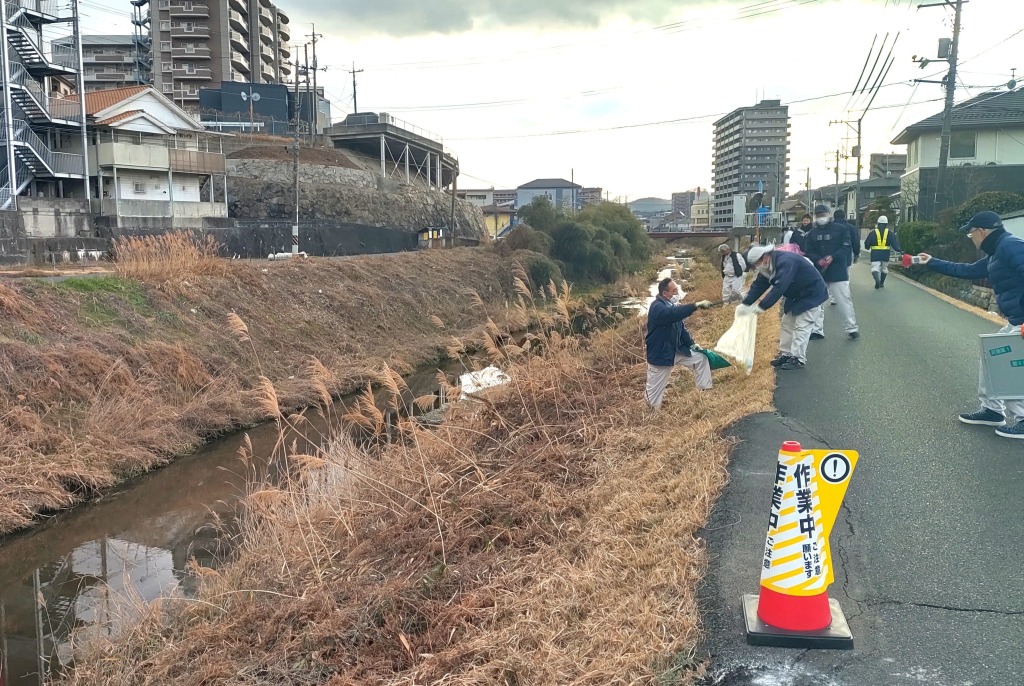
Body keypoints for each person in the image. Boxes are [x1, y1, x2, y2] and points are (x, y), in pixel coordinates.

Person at [918, 210, 1024, 439]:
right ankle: (993, 411)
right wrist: (932, 262)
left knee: (1008, 365)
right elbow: (967, 271)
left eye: (970, 234)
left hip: (1023, 320)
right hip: (1016, 319)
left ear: (981, 231)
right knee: (990, 356)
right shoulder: (996, 252)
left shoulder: (1010, 246)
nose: (971, 238)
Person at [738, 244, 829, 370]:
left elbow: (780, 287)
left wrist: (762, 306)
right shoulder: (767, 267)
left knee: (802, 326)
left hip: (811, 294)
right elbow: (758, 286)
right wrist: (745, 304)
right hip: (796, 295)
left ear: (764, 257)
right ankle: (787, 354)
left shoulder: (786, 261)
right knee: (787, 324)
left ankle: (797, 358)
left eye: (755, 265)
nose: (755, 268)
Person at [645, 278, 715, 409]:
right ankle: (650, 415)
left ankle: (705, 392)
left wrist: (692, 344)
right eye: (674, 290)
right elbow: (672, 315)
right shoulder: (657, 307)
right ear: (665, 294)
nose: (677, 293)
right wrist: (695, 306)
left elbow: (681, 329)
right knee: (653, 393)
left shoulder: (671, 305)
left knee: (701, 359)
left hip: (675, 350)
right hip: (660, 354)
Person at [803, 204, 860, 340]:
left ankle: (851, 328)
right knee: (817, 303)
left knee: (844, 300)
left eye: (823, 214)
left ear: (830, 214)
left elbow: (846, 247)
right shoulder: (812, 234)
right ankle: (817, 330)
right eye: (818, 215)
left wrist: (833, 257)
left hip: (838, 271)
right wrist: (818, 260)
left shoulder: (841, 230)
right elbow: (808, 251)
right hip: (819, 272)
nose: (821, 217)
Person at [864, 215, 901, 289]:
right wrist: (900, 251)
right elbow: (895, 245)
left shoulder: (872, 233)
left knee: (875, 268)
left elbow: (867, 244)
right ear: (886, 224)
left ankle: (876, 279)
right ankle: (881, 283)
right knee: (884, 269)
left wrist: (868, 247)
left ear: (878, 223)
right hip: (885, 254)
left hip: (875, 254)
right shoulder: (890, 233)